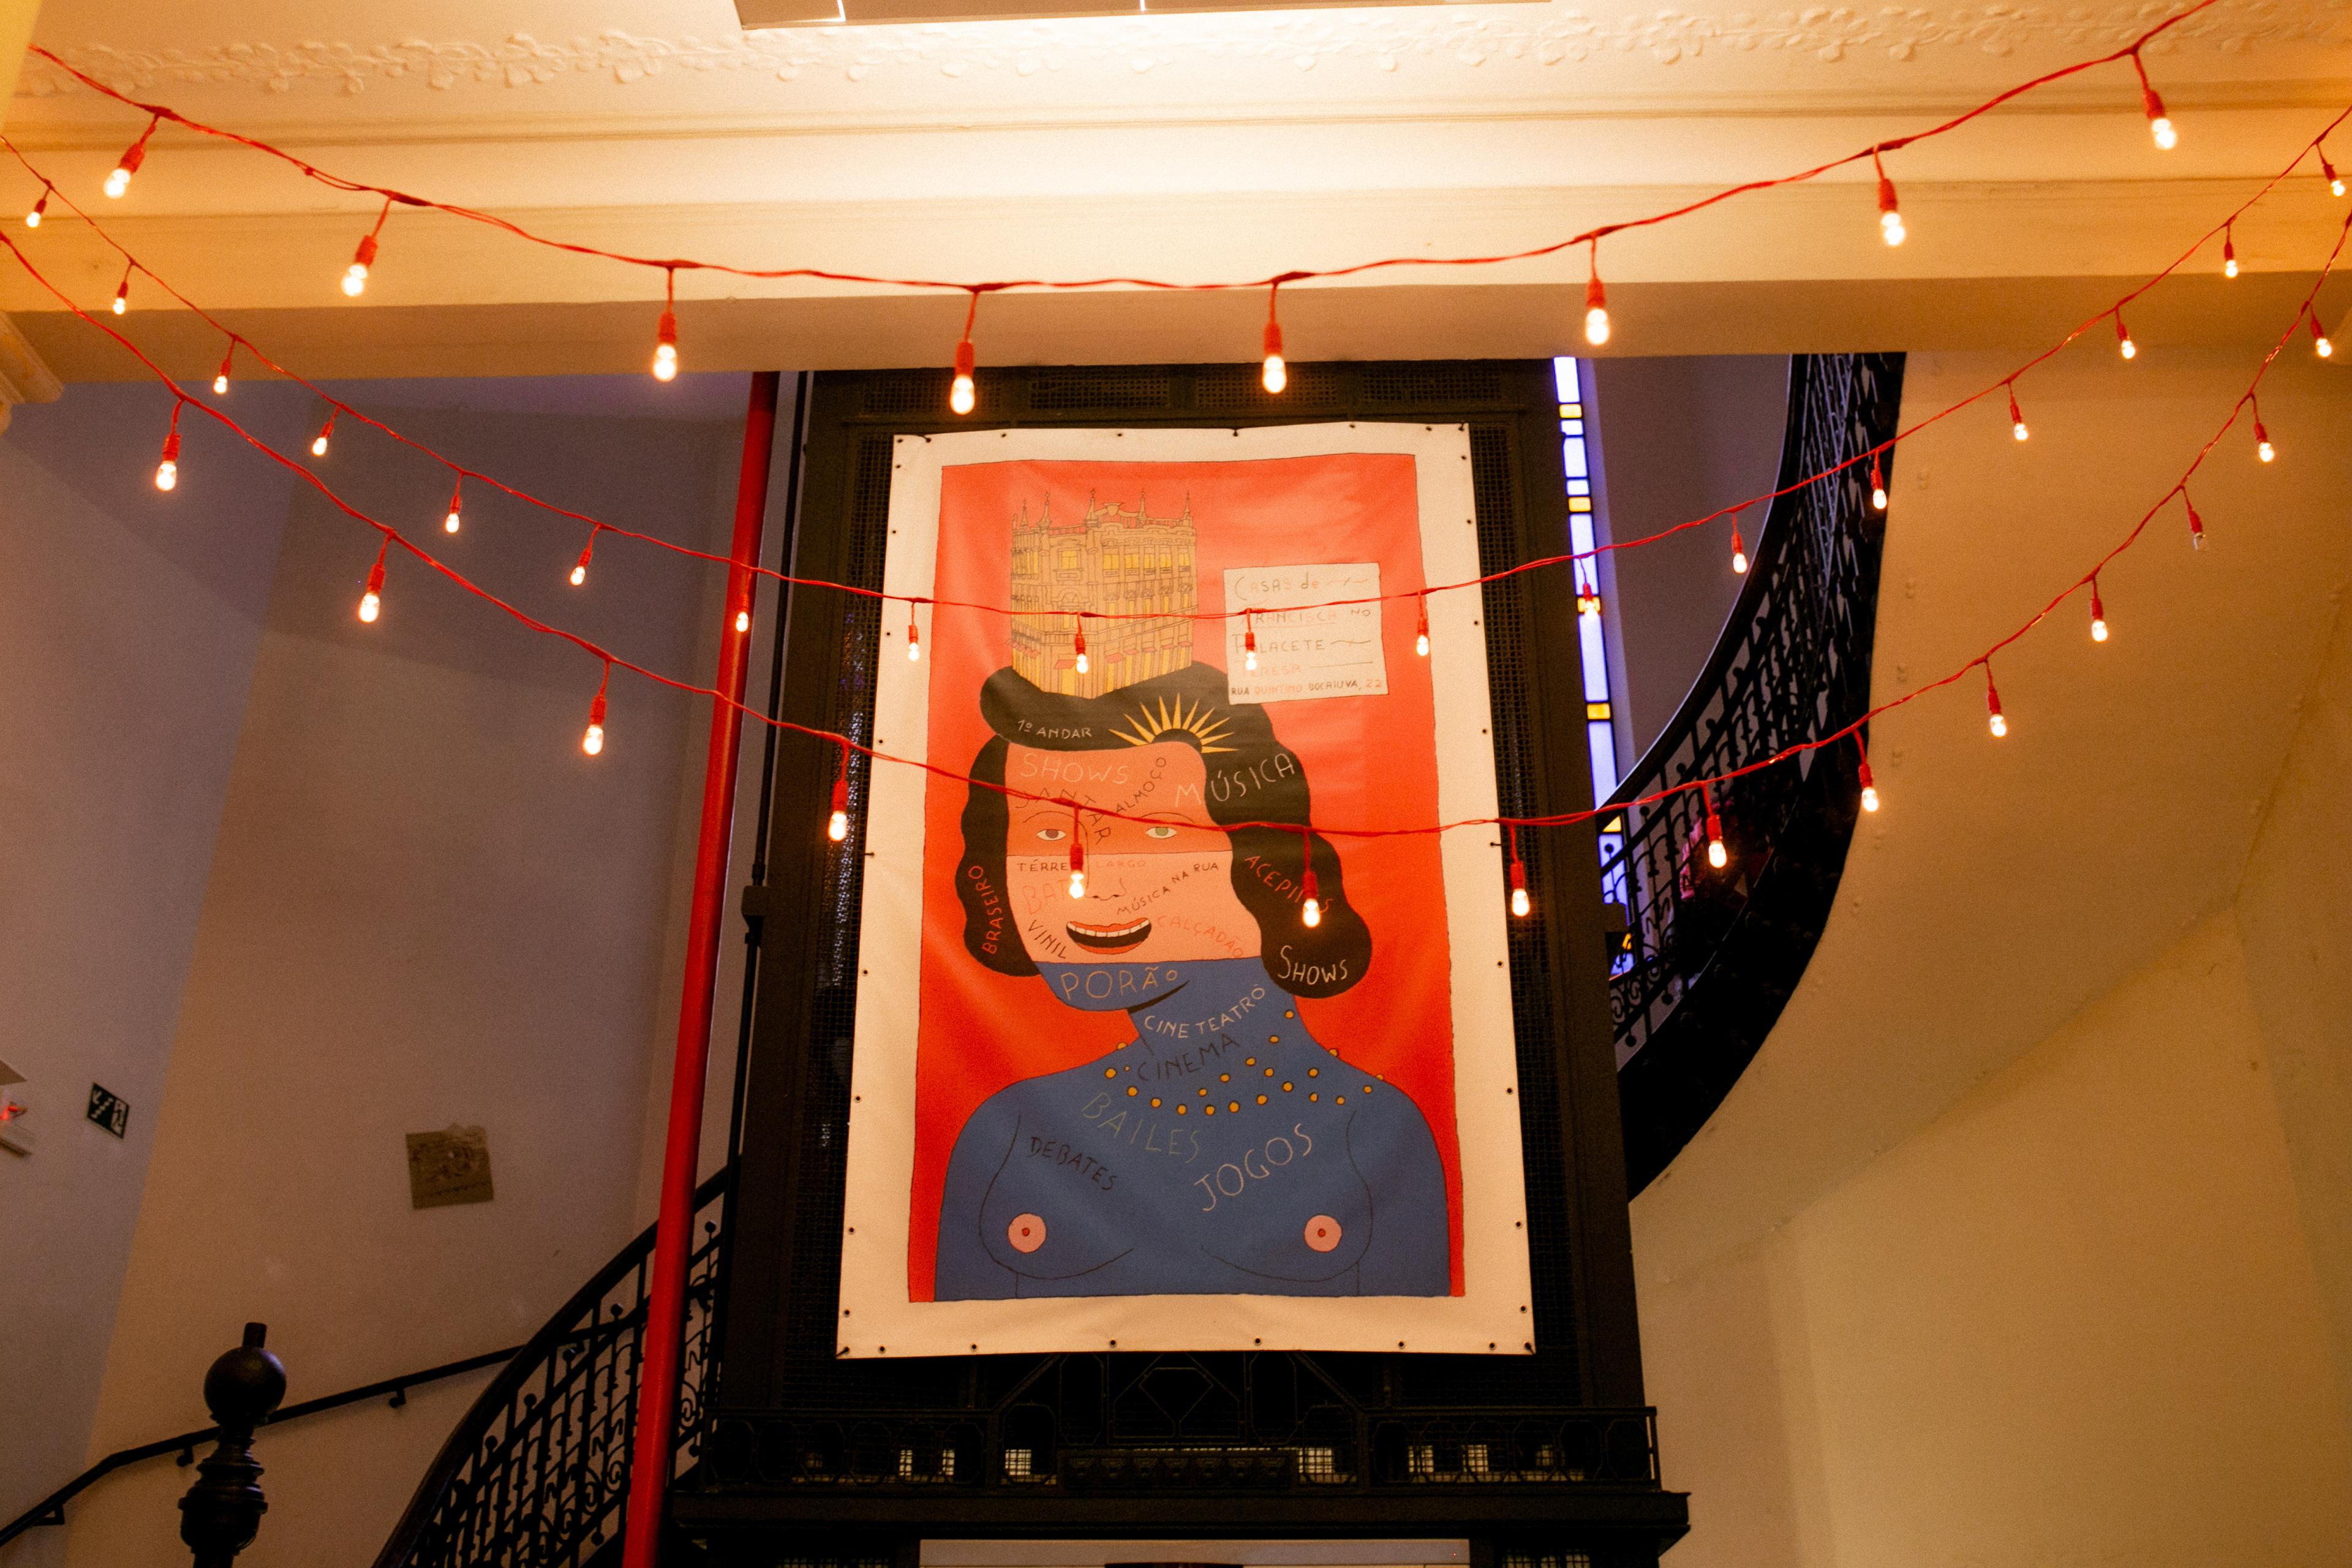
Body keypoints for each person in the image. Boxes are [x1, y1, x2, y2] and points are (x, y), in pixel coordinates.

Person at [935, 661, 1450, 1299]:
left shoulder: (1370, 1137)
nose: (1094, 884)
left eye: (1160, 829)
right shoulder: (1011, 1135)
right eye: (1048, 832)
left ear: (1260, 855)